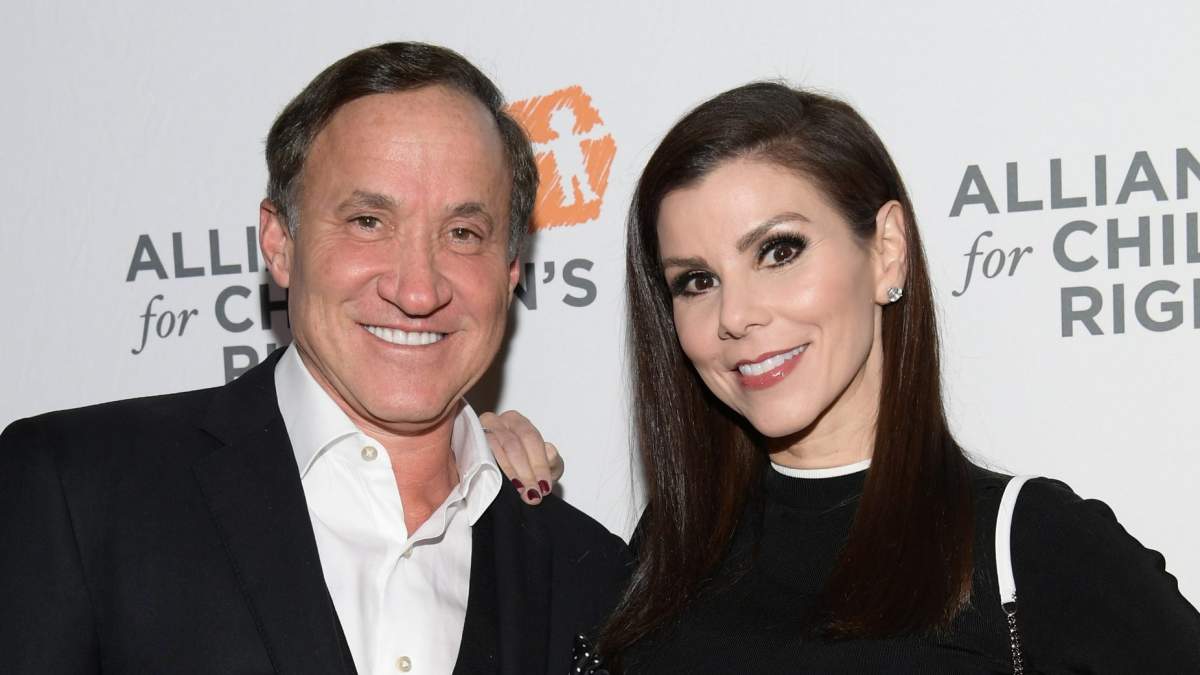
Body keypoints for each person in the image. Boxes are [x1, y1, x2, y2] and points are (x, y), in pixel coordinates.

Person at [486, 82, 1200, 673]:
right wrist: (460, 476)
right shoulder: (665, 557)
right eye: (697, 280)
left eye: (779, 251)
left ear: (886, 251)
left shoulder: (1028, 542)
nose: (736, 315)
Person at [0, 42, 627, 675]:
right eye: (367, 221)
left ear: (511, 269)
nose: (417, 291)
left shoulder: (594, 577)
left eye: (462, 233)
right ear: (280, 243)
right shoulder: (78, 494)